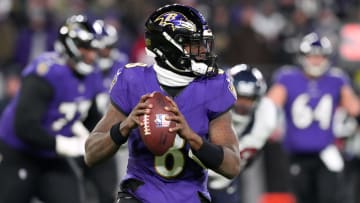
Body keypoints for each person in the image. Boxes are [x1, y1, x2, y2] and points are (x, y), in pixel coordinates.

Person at [84, 4, 241, 203]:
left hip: (190, 198)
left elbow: (232, 166)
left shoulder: (214, 85)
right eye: (193, 44)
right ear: (168, 47)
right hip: (139, 196)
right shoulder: (133, 80)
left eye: (203, 43)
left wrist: (194, 139)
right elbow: (91, 154)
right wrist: (124, 127)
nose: (203, 50)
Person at [0, 14, 103, 203]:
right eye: (85, 48)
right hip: (19, 153)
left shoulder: (92, 75)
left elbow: (92, 117)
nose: (91, 55)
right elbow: (24, 126)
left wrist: (105, 136)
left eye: (93, 49)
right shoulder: (46, 73)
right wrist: (64, 144)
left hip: (52, 157)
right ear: (70, 46)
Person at [266, 32, 360, 203]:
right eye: (312, 56)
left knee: (329, 198)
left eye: (320, 56)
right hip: (297, 154)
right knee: (304, 198)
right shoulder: (287, 78)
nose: (316, 60)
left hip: (326, 153)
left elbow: (355, 109)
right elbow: (268, 108)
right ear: (302, 56)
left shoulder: (336, 79)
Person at [207, 64, 277, 203]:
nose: (242, 104)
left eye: (248, 99)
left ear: (258, 98)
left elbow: (235, 159)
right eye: (239, 97)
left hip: (226, 174)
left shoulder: (266, 113)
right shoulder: (210, 102)